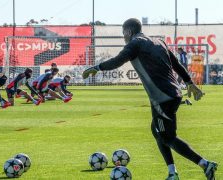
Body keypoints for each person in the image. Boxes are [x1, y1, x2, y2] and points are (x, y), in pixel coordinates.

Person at [82, 18, 217, 180]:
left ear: (128, 31)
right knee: (156, 130)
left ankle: (204, 164)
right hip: (172, 94)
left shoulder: (135, 44)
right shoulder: (159, 41)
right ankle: (172, 173)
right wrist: (189, 83)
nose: (123, 37)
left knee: (168, 137)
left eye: (123, 33)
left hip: (161, 97)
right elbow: (176, 65)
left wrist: (96, 68)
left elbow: (118, 61)